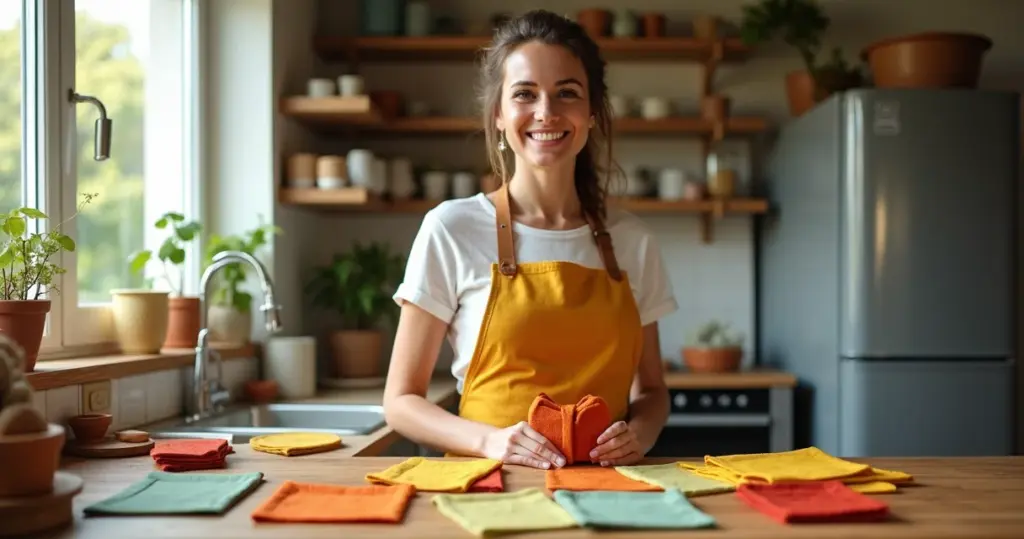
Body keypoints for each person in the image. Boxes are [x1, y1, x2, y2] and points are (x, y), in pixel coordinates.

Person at [382, 9, 677, 470]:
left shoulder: (633, 241)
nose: (546, 112)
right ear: (499, 114)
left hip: (608, 489)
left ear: (592, 113)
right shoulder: (451, 229)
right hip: (487, 487)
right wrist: (488, 442)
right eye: (525, 94)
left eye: (567, 93)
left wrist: (639, 434)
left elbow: (653, 391)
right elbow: (400, 401)